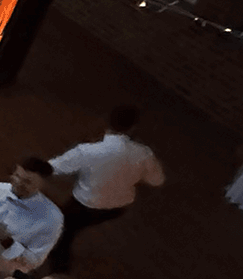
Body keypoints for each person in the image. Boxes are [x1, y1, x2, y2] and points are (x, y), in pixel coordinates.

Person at [46, 104, 165, 274]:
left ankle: (59, 270)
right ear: (133, 127)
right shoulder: (144, 154)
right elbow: (157, 180)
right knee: (70, 229)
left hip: (84, 205)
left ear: (108, 122)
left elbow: (55, 167)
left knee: (64, 232)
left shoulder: (88, 151)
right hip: (116, 209)